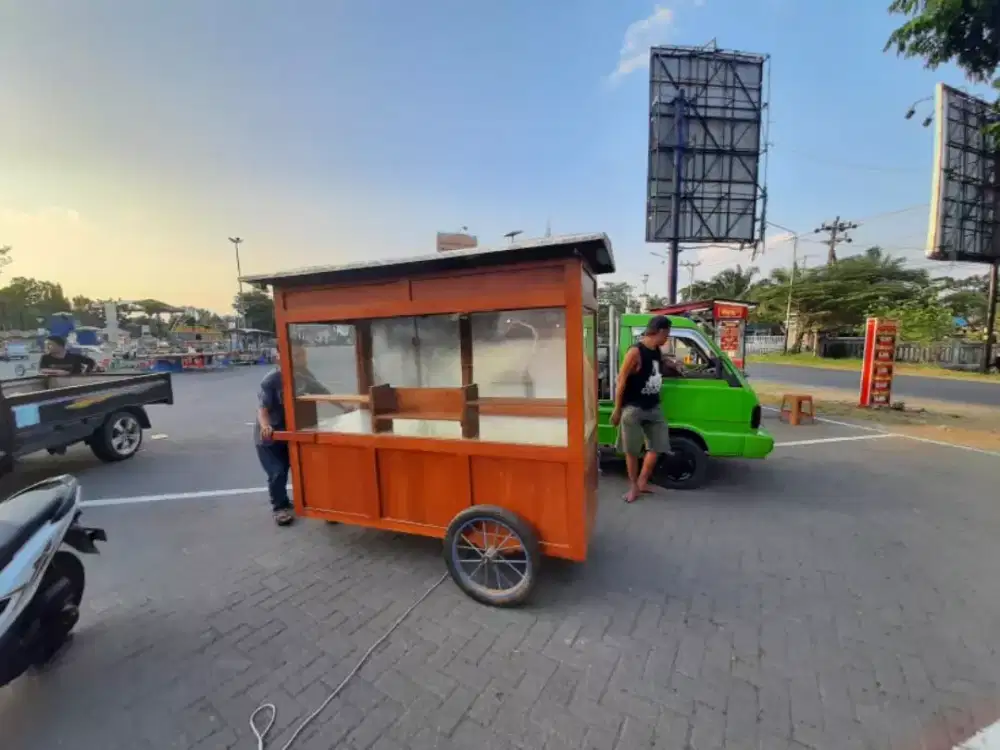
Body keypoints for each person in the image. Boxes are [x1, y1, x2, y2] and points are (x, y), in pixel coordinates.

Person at [254, 343, 329, 526]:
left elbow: (324, 392)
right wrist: (265, 426)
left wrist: (346, 407)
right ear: (282, 358)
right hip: (271, 435)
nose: (299, 359)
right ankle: (280, 508)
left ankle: (317, 505)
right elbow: (262, 409)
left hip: (293, 432)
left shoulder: (304, 376)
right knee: (278, 471)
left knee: (305, 467)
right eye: (295, 355)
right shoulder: (271, 380)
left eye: (301, 355)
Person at [611, 315, 678, 504]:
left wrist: (671, 364)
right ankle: (633, 487)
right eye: (667, 334)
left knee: (658, 445)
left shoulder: (656, 350)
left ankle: (642, 482)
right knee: (631, 450)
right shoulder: (635, 352)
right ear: (660, 331)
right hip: (633, 408)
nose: (667, 338)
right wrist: (617, 410)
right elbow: (621, 380)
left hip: (653, 406)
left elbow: (657, 365)